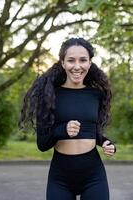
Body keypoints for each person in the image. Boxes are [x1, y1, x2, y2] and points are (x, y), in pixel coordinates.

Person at [18, 37, 116, 200]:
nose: (77, 66)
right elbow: (42, 144)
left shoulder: (96, 95)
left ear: (90, 63)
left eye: (83, 60)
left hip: (93, 175)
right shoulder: (49, 96)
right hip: (60, 177)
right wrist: (62, 130)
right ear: (62, 63)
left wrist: (105, 142)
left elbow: (92, 131)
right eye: (71, 60)